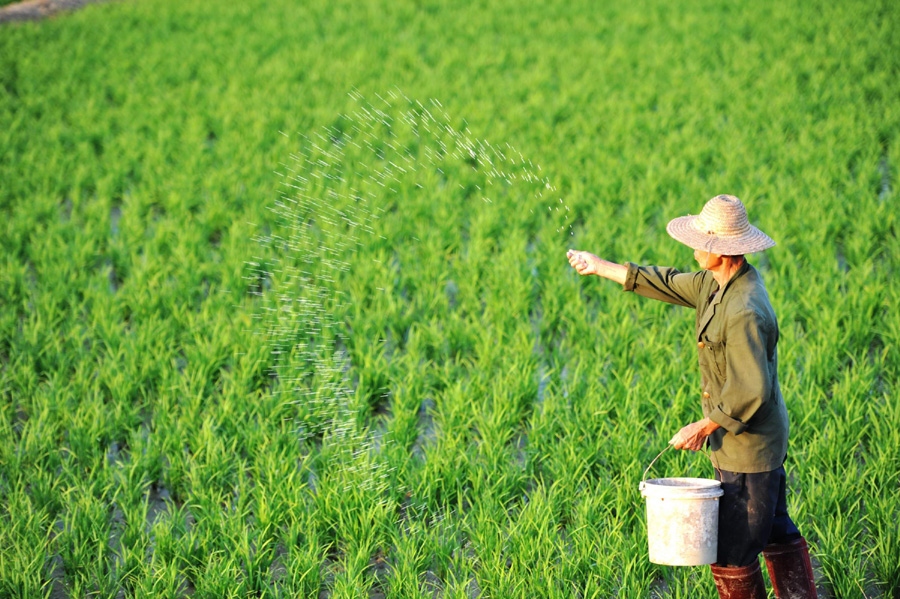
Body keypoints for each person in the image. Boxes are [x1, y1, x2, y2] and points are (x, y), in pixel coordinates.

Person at [566, 195, 817, 599]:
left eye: (701, 240)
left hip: (749, 449)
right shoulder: (715, 284)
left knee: (733, 552)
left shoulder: (744, 309)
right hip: (740, 441)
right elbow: (664, 281)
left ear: (723, 250)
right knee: (774, 529)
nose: (693, 247)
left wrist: (703, 426)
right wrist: (599, 266)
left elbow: (751, 390)